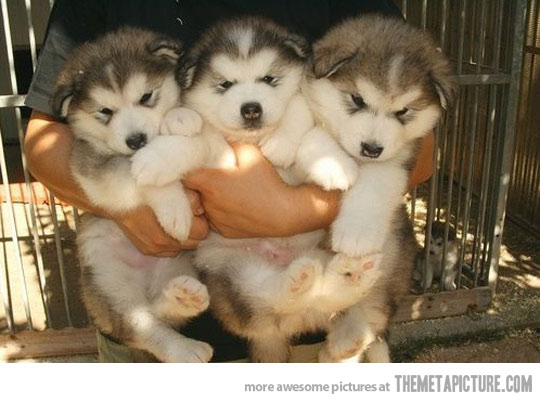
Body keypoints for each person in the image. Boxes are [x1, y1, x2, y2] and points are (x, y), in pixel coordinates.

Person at [24, 0, 434, 362]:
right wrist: (130, 208)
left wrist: (296, 212)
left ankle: (354, 317)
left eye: (270, 80)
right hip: (171, 317)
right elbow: (43, 141)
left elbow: (418, 150)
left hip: (319, 317)